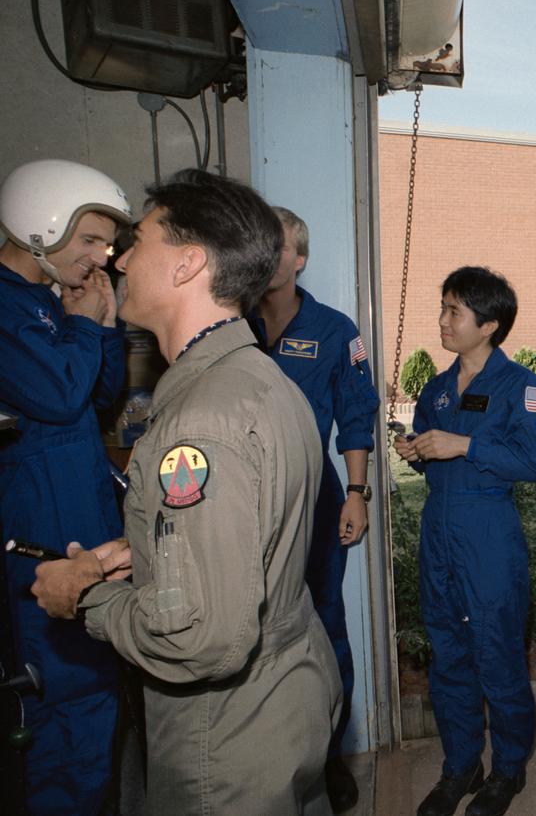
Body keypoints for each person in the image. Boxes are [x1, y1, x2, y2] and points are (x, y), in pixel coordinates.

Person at [30, 169, 341, 814]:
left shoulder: (201, 420)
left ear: (187, 264)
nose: (118, 257)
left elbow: (200, 637)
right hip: (281, 702)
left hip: (223, 743)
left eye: (137, 241)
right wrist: (148, 551)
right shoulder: (259, 379)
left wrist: (85, 597)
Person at [392, 266, 536, 816]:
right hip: (439, 533)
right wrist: (417, 449)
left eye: (454, 311)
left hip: (489, 538)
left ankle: (507, 770)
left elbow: (535, 462)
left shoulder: (522, 387)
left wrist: (464, 445)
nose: (442, 320)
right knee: (448, 658)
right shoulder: (435, 389)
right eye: (443, 308)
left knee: (497, 657)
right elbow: (435, 456)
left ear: (489, 324)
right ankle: (462, 764)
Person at [0, 158, 132, 816]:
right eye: (89, 240)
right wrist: (84, 326)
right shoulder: (4, 305)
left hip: (85, 521)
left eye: (106, 244)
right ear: (39, 226)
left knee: (96, 705)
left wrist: (100, 326)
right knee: (67, 712)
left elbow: (101, 395)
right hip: (43, 539)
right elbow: (58, 394)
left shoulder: (55, 304)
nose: (100, 257)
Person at [253, 206, 379, 812]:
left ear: (299, 259)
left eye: (274, 245)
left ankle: (332, 755)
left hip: (312, 497)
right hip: (237, 502)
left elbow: (356, 414)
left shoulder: (335, 330)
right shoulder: (225, 324)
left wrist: (355, 493)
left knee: (325, 626)